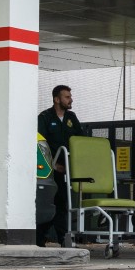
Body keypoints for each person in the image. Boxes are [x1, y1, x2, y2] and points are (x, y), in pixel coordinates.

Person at [36, 85, 86, 247]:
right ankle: (40, 237)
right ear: (57, 99)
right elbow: (39, 144)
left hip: (68, 169)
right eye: (67, 97)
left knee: (62, 203)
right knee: (49, 203)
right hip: (50, 170)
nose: (71, 99)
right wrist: (53, 165)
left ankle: (62, 239)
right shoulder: (44, 117)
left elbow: (81, 140)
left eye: (70, 96)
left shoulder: (72, 117)